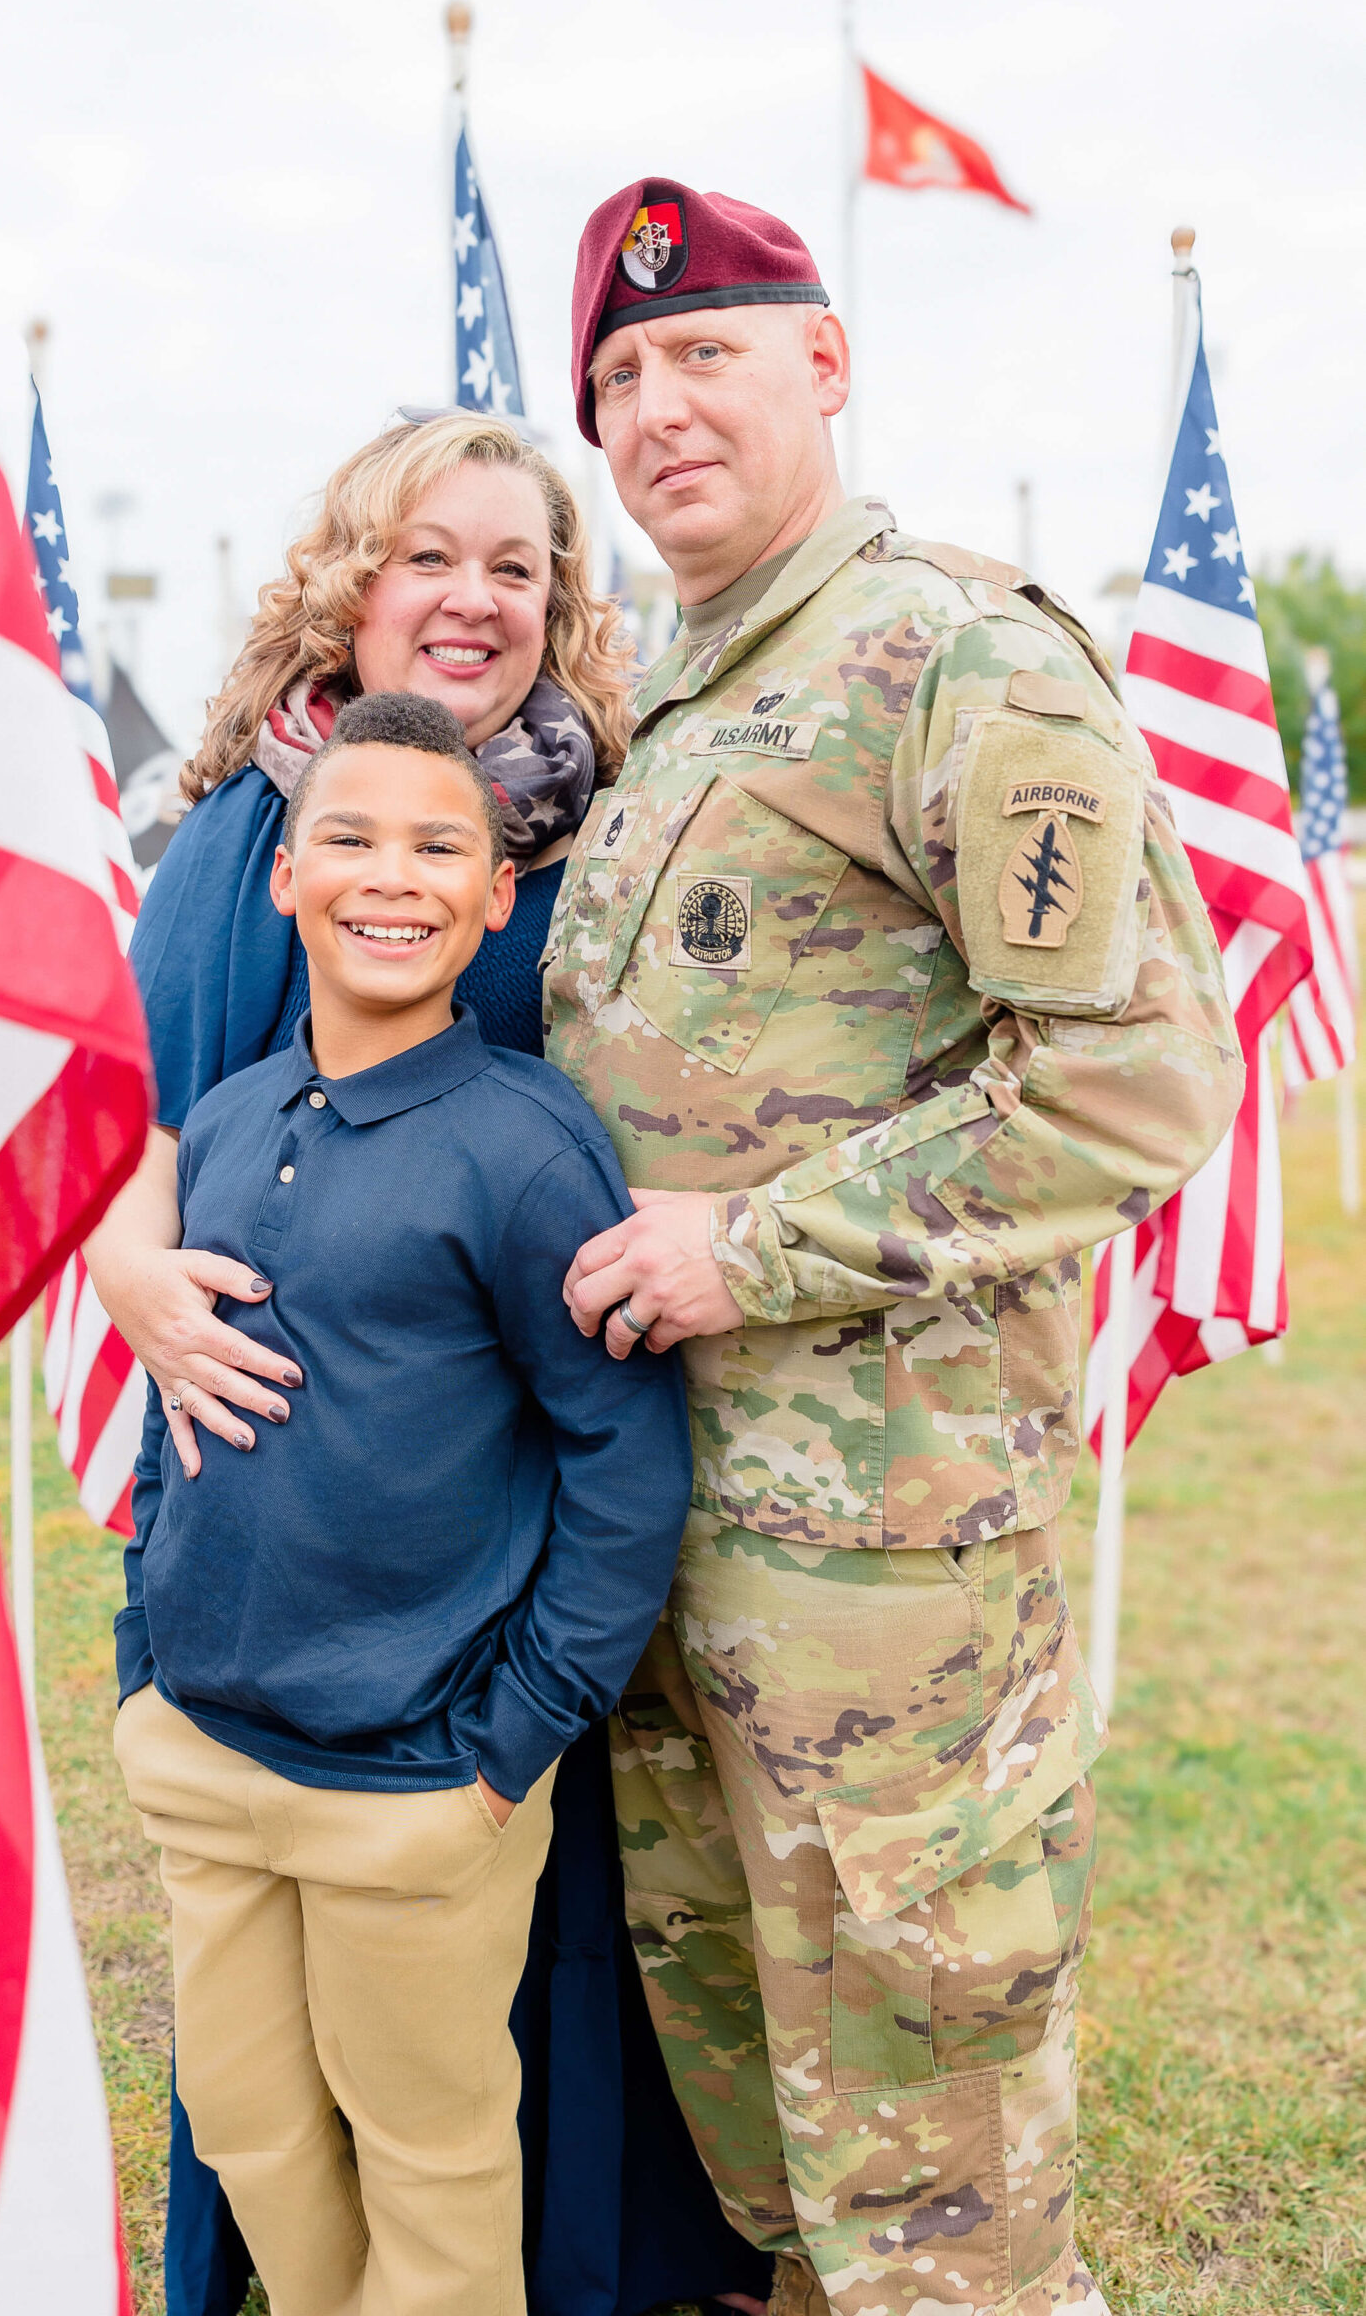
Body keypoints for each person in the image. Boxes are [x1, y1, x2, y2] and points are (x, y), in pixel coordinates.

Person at [543, 179, 1246, 2316]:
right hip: (690, 1547)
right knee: (775, 2170)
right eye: (620, 377)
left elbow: (1133, 1075)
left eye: (707, 353)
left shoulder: (946, 650)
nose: (659, 406)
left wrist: (750, 1245)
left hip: (895, 1591)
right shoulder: (684, 695)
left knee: (935, 2195)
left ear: (824, 365)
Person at [85, 410, 772, 2316]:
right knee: (273, 2083)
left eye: (518, 568)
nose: (472, 600)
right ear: (350, 581)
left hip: (486, 1612)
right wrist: (138, 1285)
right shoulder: (248, 834)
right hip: (277, 1592)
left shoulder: (606, 830)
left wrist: (501, 1733)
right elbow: (146, 1128)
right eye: (428, 558)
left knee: (475, 2055)